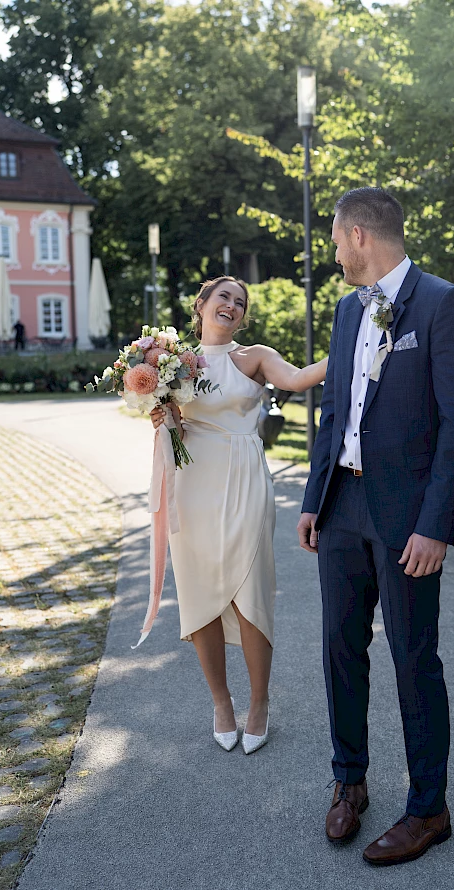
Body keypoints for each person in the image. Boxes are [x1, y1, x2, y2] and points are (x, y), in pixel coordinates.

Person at [297, 188, 454, 865]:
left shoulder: (443, 304)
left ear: (359, 235)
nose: (334, 252)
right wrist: (316, 498)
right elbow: (335, 414)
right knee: (339, 648)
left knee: (411, 658)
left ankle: (429, 810)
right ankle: (350, 782)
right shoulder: (346, 311)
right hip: (343, 506)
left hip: (408, 520)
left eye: (336, 240)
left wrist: (436, 526)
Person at [150, 276, 327, 755]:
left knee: (251, 590)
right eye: (224, 297)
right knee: (200, 591)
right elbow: (175, 433)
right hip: (194, 487)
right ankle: (221, 702)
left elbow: (298, 378)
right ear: (202, 305)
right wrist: (163, 416)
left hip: (246, 481)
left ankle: (260, 702)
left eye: (241, 302)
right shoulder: (172, 364)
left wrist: (354, 346)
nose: (232, 305)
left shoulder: (255, 358)